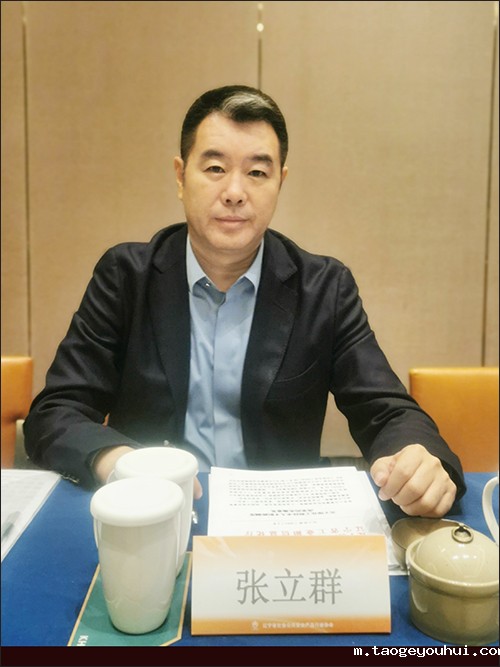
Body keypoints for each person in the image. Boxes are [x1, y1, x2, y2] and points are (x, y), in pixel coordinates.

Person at [24, 84, 464, 517]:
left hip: (277, 524)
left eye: (257, 173)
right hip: (153, 515)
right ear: (180, 176)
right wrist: (122, 464)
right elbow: (56, 412)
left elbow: (386, 411)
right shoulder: (126, 277)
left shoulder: (323, 288)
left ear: (280, 182)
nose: (235, 191)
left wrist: (420, 462)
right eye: (215, 168)